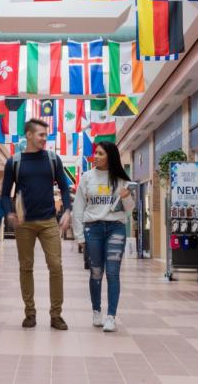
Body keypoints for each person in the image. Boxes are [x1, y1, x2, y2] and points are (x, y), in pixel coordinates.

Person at [1, 119, 72, 330]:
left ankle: (56, 314)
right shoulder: (14, 161)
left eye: (45, 135)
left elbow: (65, 188)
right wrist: (9, 213)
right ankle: (30, 313)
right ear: (29, 135)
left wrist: (67, 209)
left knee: (56, 266)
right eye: (41, 134)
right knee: (26, 267)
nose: (44, 138)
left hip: (49, 221)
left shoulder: (53, 159)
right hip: (24, 224)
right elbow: (5, 195)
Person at [72, 141, 134, 332]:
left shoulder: (121, 179)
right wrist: (79, 235)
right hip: (94, 229)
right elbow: (78, 208)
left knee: (113, 273)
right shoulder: (87, 177)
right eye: (95, 153)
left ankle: (111, 316)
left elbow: (130, 210)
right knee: (96, 272)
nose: (95, 157)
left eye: (100, 153)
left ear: (110, 156)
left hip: (116, 227)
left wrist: (126, 197)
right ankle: (96, 311)